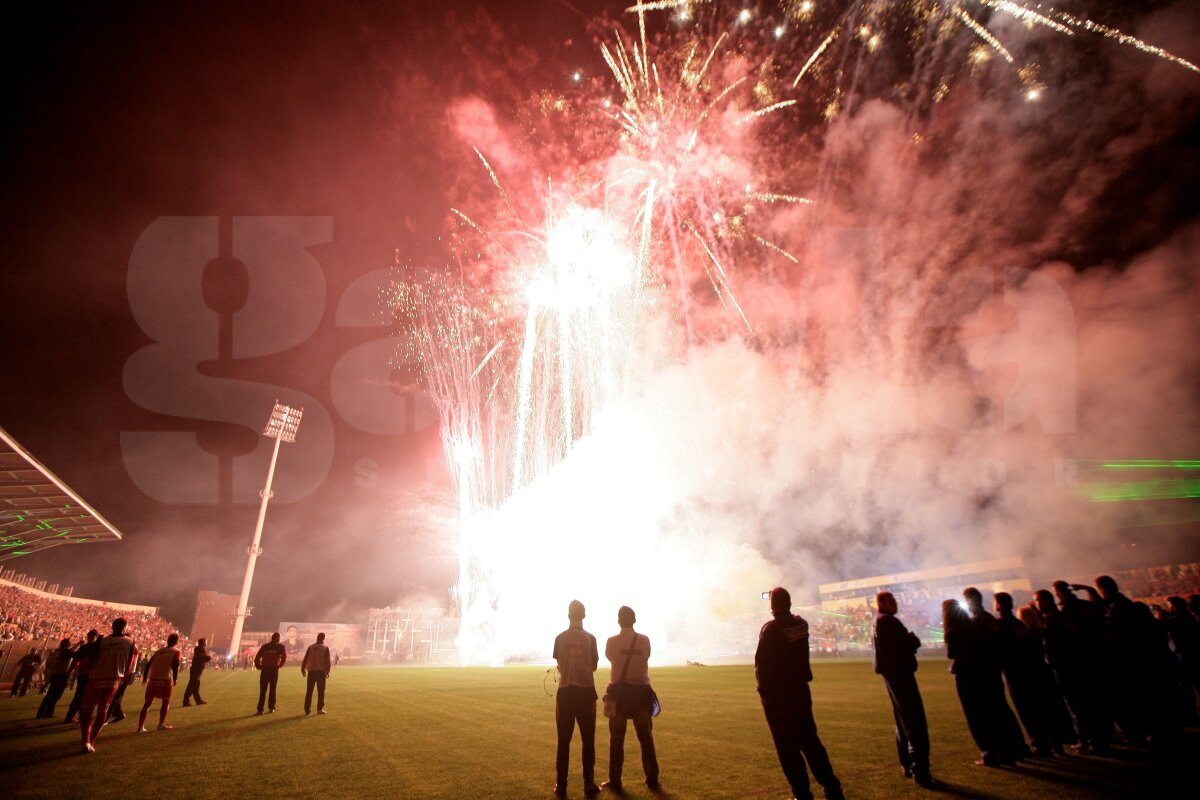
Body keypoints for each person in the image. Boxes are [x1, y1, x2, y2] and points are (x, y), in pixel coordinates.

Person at [756, 587, 844, 800]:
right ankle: (832, 788)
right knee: (811, 742)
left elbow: (763, 668)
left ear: (772, 606)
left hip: (779, 698)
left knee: (788, 749)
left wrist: (764, 694)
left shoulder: (770, 630)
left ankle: (802, 794)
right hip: (800, 692)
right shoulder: (800, 624)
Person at [947, 588, 1027, 766]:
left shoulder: (975, 622)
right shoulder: (989, 618)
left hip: (982, 671)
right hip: (993, 669)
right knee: (1001, 708)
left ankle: (1001, 750)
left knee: (989, 712)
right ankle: (1017, 747)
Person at [994, 593, 1073, 756]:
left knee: (1028, 710)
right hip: (1034, 671)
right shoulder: (1021, 625)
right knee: (1043, 707)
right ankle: (1055, 742)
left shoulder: (1002, 625)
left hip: (1016, 673)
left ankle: (1041, 744)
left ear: (999, 605)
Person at [872, 591, 932, 786]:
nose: (896, 604)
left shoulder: (878, 621)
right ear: (883, 603)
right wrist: (913, 639)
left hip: (891, 674)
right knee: (914, 720)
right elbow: (910, 643)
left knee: (902, 719)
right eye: (892, 601)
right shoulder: (889, 621)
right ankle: (919, 768)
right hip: (900, 674)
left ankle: (906, 762)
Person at [601, 606, 660, 793]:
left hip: (619, 695)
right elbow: (646, 658)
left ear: (619, 621)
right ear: (634, 620)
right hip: (641, 694)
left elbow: (611, 658)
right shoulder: (644, 640)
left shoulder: (611, 642)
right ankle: (652, 778)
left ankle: (615, 779)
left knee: (617, 739)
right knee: (646, 738)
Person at [552, 599, 600, 798]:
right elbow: (594, 665)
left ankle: (561, 786)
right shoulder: (591, 638)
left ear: (568, 615)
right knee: (588, 741)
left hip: (566, 692)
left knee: (564, 742)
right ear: (584, 616)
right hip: (586, 693)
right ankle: (588, 783)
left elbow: (558, 660)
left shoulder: (559, 637)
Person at [78, 618, 138, 753]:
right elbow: (130, 664)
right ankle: (92, 741)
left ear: (112, 626)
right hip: (115, 678)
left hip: (96, 677)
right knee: (103, 710)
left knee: (87, 711)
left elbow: (90, 659)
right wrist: (123, 679)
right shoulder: (131, 642)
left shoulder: (102, 641)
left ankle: (85, 742)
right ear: (125, 627)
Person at [137, 633, 181, 732]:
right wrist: (175, 678)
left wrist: (145, 678)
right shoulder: (176, 651)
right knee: (165, 702)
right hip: (165, 679)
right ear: (176, 642)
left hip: (153, 679)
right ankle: (161, 724)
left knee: (147, 703)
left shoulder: (159, 651)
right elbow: (175, 664)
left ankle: (140, 727)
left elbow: (148, 664)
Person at [64, 629, 99, 724]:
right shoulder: (92, 648)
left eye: (91, 637)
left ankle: (76, 716)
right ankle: (76, 716)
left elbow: (76, 659)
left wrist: (70, 670)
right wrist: (70, 670)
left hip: (87, 675)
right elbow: (76, 659)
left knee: (81, 697)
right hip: (87, 675)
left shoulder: (87, 648)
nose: (90, 638)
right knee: (82, 697)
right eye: (89, 637)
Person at [36, 638, 74, 719]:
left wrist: (78, 644)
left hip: (54, 674)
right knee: (56, 695)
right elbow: (73, 653)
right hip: (61, 675)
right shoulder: (65, 652)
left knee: (50, 695)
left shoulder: (57, 651)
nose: (70, 644)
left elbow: (70, 651)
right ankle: (48, 712)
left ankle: (42, 712)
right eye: (69, 643)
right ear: (66, 644)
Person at [255, 632, 288, 714]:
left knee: (263, 690)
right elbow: (284, 657)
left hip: (265, 669)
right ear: (278, 638)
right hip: (273, 670)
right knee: (272, 689)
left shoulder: (265, 646)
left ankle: (260, 709)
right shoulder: (281, 647)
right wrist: (279, 665)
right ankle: (271, 707)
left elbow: (257, 657)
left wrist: (258, 666)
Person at [301, 631, 332, 715]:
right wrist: (327, 671)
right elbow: (327, 661)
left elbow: (305, 658)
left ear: (317, 637)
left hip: (311, 671)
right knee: (321, 691)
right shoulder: (325, 648)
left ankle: (307, 710)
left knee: (309, 691)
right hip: (320, 672)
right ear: (323, 638)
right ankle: (319, 709)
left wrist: (303, 669)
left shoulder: (311, 647)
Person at [182, 637, 211, 706]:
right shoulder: (200, 649)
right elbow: (202, 658)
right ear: (203, 643)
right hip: (196, 669)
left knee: (196, 686)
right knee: (192, 685)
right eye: (205, 641)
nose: (206, 643)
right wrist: (208, 658)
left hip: (196, 669)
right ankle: (186, 701)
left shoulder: (199, 648)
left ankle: (198, 700)